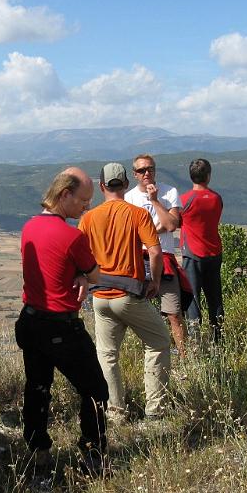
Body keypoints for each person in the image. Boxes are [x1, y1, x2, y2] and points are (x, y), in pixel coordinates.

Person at [16, 168, 109, 473]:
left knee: (38, 387)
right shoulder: (72, 236)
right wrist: (82, 275)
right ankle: (93, 456)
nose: (87, 206)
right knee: (96, 391)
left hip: (31, 320)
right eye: (83, 200)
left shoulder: (29, 227)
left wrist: (76, 273)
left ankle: (38, 453)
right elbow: (95, 274)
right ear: (65, 194)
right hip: (61, 326)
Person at [78, 163, 171, 422]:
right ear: (127, 184)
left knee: (107, 355)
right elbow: (155, 252)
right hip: (128, 294)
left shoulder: (88, 218)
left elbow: (79, 256)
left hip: (100, 296)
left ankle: (116, 412)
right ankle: (155, 411)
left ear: (101, 186)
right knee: (159, 342)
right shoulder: (138, 214)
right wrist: (155, 281)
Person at [124, 154, 188, 357]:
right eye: (142, 170)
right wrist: (155, 229)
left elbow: (171, 224)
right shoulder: (129, 198)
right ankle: (152, 353)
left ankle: (184, 356)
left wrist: (155, 201)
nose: (147, 173)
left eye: (150, 169)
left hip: (165, 258)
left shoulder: (169, 192)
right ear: (135, 174)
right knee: (140, 312)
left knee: (173, 312)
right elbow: (130, 231)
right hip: (139, 258)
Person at [179, 158, 224, 340]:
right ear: (208, 176)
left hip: (193, 254)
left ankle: (195, 340)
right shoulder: (216, 198)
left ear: (191, 176)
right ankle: (218, 339)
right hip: (214, 253)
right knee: (215, 299)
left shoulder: (185, 200)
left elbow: (176, 221)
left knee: (193, 299)